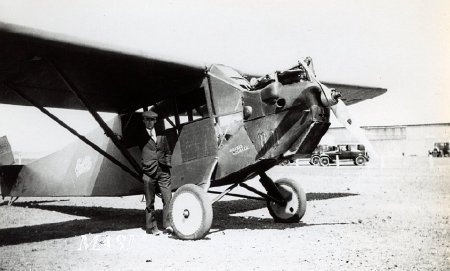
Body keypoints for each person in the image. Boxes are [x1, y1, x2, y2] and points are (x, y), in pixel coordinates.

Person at [141, 110, 173, 235]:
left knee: (168, 198)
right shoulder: (140, 136)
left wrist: (167, 163)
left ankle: (168, 224)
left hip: (163, 171)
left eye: (152, 120)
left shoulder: (161, 135)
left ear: (155, 121)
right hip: (149, 172)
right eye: (147, 120)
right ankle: (151, 227)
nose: (150, 122)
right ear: (144, 121)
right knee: (150, 202)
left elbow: (167, 151)